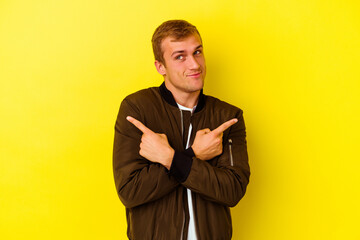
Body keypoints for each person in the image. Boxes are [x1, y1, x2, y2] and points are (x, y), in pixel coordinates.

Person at [113, 19, 250, 240]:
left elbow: (232, 191)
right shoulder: (138, 109)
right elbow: (130, 191)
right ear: (160, 67)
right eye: (180, 57)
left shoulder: (228, 117)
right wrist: (193, 155)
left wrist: (168, 157)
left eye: (197, 52)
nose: (195, 65)